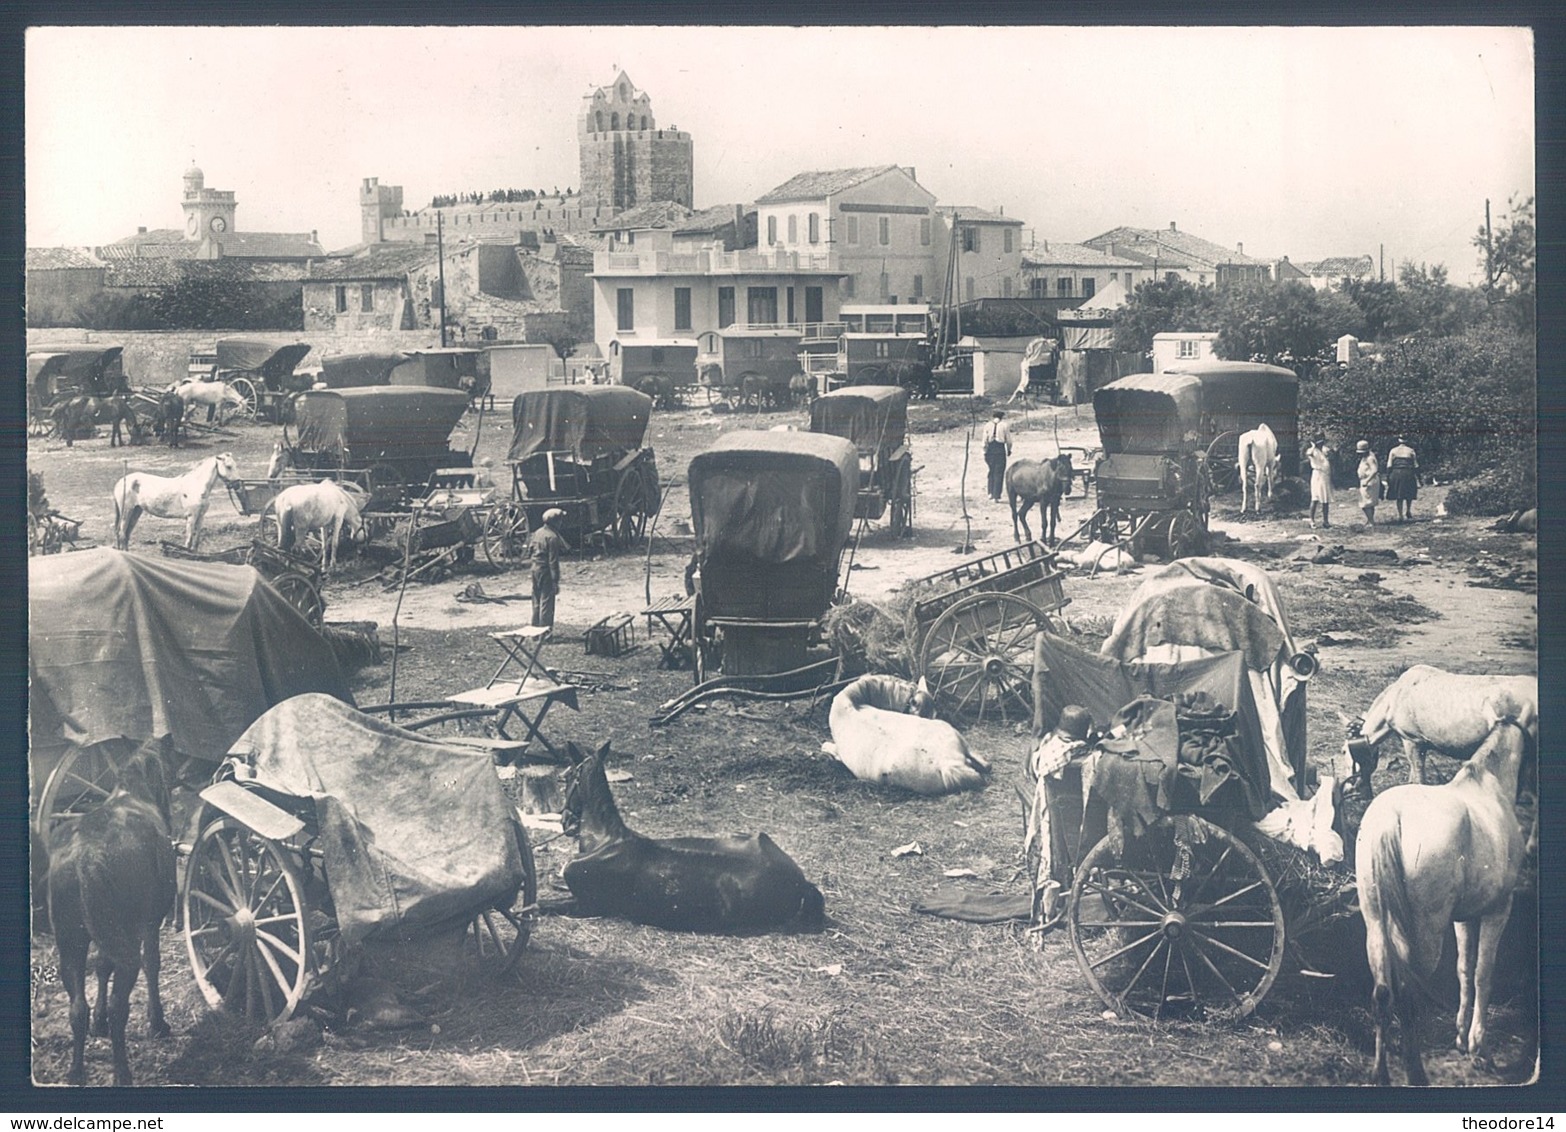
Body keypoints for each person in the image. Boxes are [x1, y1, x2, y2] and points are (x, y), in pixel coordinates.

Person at [528, 507, 568, 629]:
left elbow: (530, 550)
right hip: (545, 571)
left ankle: (534, 629)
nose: (561, 523)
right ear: (555, 522)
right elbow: (553, 562)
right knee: (547, 602)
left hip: (535, 569)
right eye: (560, 520)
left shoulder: (538, 532)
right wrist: (555, 580)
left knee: (536, 601)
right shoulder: (553, 538)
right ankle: (545, 633)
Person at [1385, 435, 1420, 521]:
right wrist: (1419, 478)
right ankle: (1408, 511)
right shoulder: (1411, 451)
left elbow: (1389, 465)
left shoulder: (1393, 451)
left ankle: (1400, 514)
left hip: (1396, 473)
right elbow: (1416, 465)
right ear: (1407, 441)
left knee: (1399, 495)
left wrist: (1388, 476)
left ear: (1398, 440)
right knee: (1409, 493)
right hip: (1408, 473)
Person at [983, 409, 1012, 502]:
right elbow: (1009, 440)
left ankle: (990, 493)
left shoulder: (987, 425)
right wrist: (1009, 449)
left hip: (990, 449)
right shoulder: (1004, 425)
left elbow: (984, 440)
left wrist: (985, 451)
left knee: (991, 470)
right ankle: (996, 495)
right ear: (1001, 417)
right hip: (999, 449)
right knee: (999, 472)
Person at [1305, 435, 1333, 529]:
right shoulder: (1313, 450)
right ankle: (1312, 520)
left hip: (1325, 476)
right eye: (1319, 442)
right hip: (1317, 475)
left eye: (1322, 442)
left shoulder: (1324, 450)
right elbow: (1308, 453)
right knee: (1315, 498)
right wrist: (1313, 446)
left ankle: (1326, 521)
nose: (1321, 444)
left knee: (1326, 499)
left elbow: (1331, 453)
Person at [1356, 440, 1381, 527]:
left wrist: (1367, 480)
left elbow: (1374, 470)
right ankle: (1370, 520)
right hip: (1366, 480)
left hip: (1369, 481)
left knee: (1365, 503)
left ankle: (1371, 521)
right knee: (1369, 502)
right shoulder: (1365, 457)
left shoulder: (1370, 458)